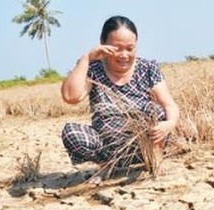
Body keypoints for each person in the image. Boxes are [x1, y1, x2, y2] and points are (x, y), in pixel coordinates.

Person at [60, 15, 179, 171]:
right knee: (71, 133)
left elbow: (169, 105)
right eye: (117, 49)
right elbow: (71, 97)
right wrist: (86, 58)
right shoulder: (94, 69)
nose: (124, 55)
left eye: (130, 48)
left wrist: (169, 124)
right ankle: (107, 167)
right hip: (106, 148)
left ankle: (154, 160)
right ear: (103, 45)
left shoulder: (148, 68)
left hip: (143, 146)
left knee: (156, 110)